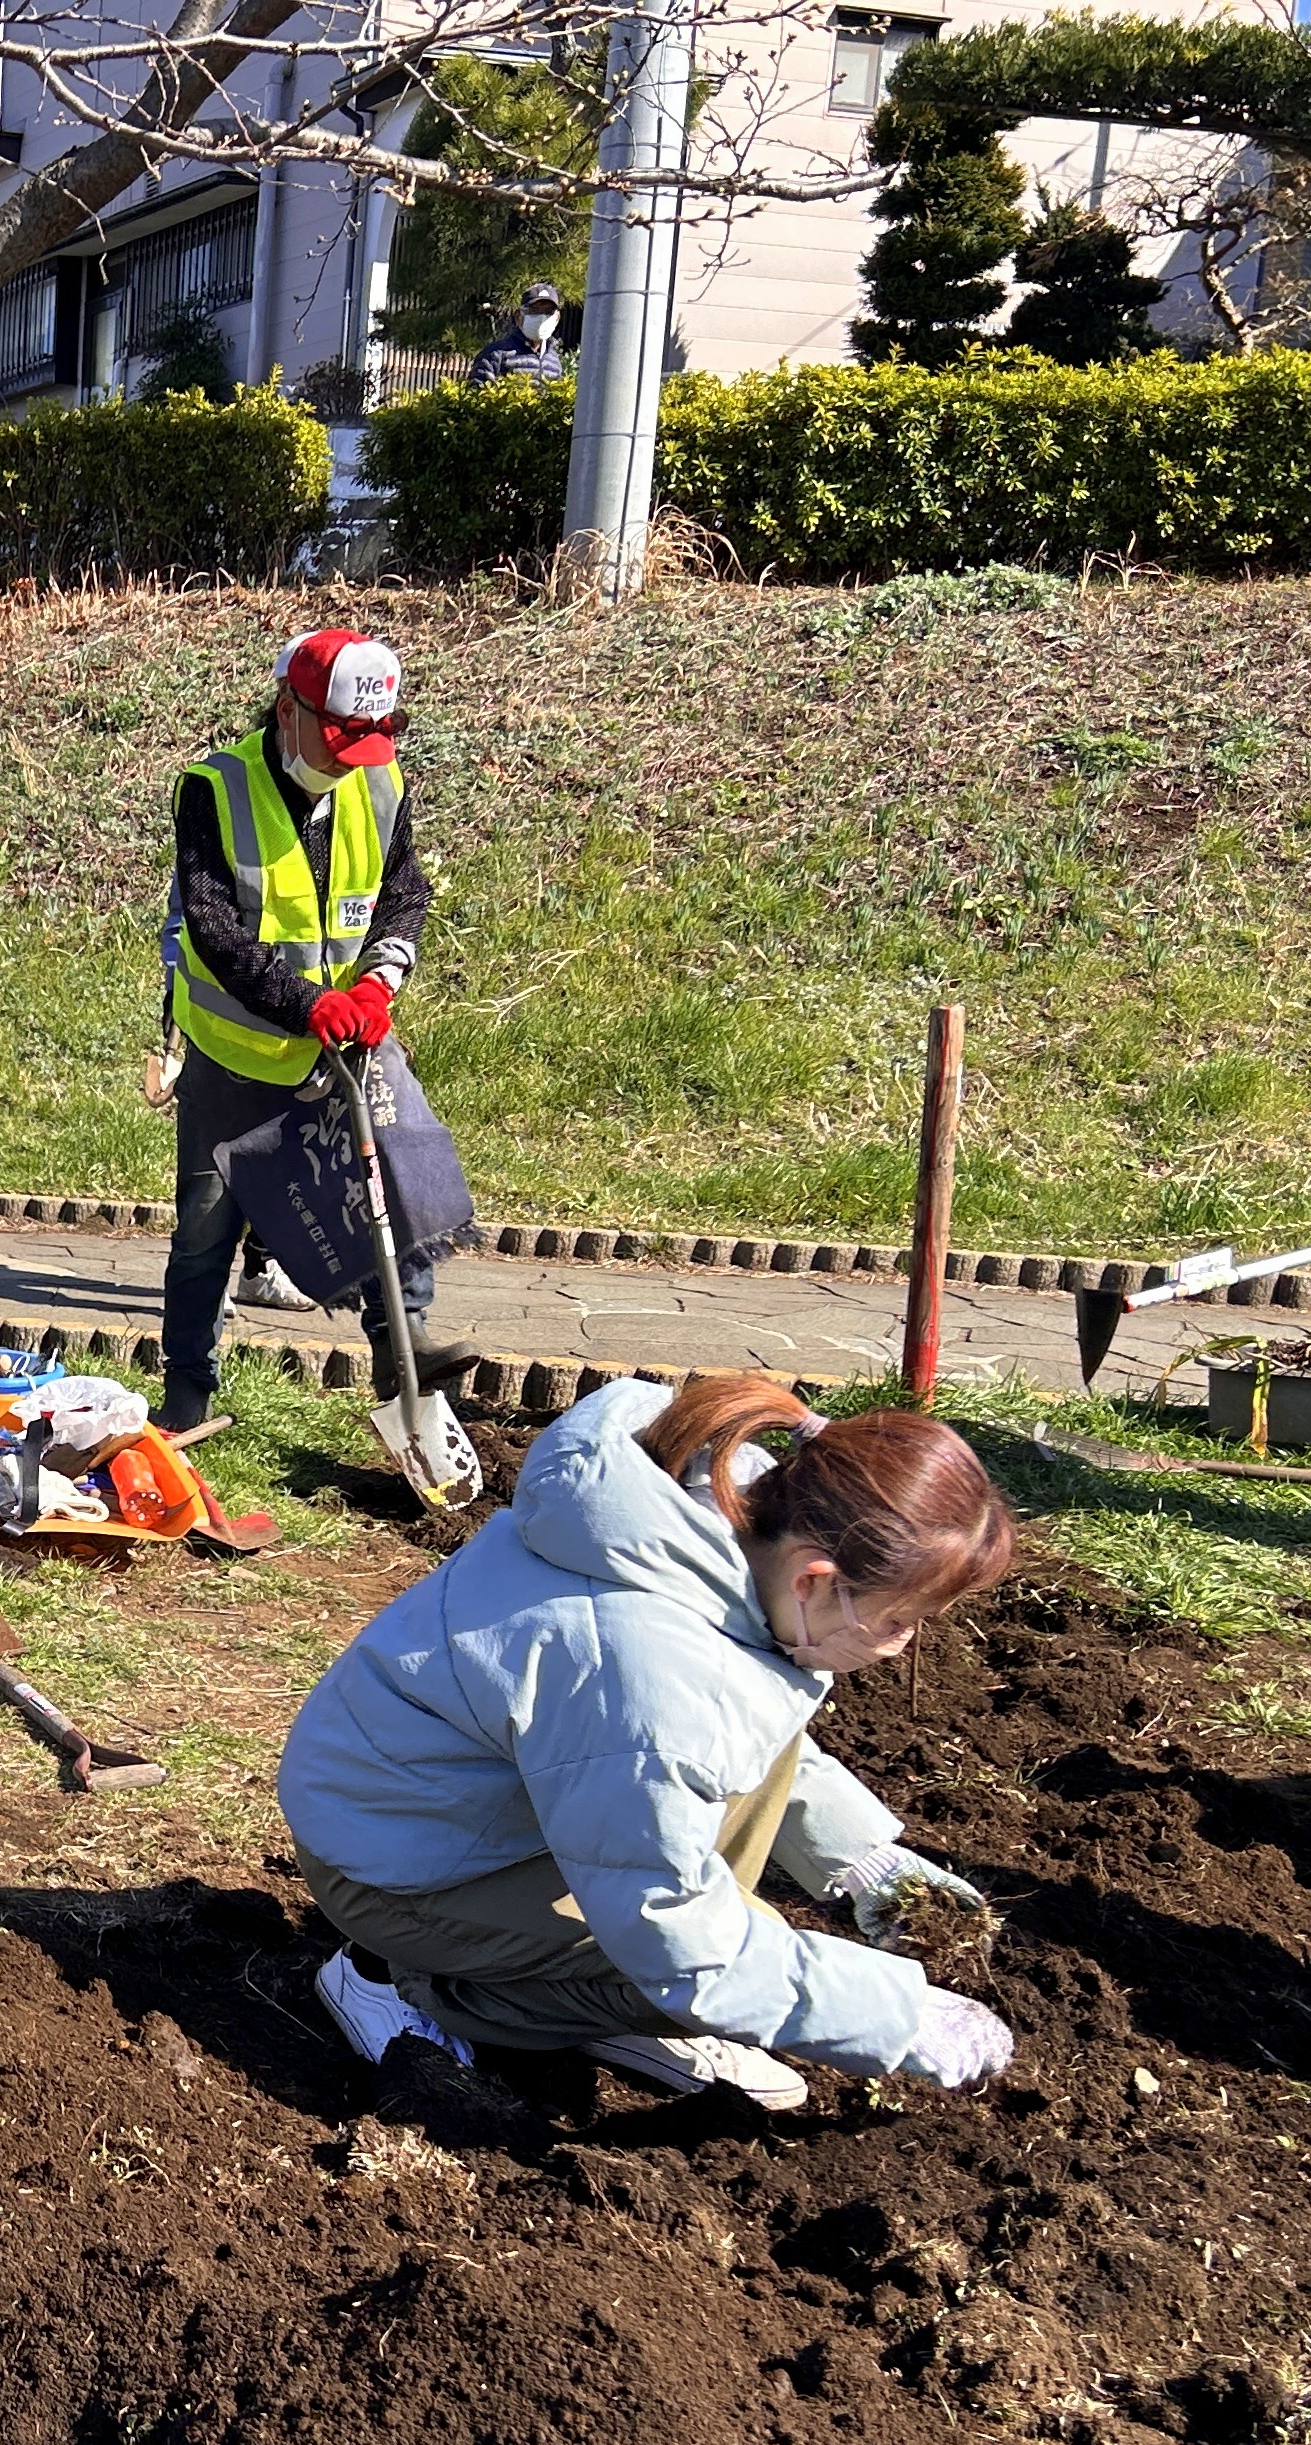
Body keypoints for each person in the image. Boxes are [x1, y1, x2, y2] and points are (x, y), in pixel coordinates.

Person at [276, 1373, 1020, 2114]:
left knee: (731, 1921)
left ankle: (586, 1993)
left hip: (445, 1811)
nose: (901, 1644)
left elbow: (740, 1739)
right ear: (814, 1579)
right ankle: (399, 1980)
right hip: (392, 1869)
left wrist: (860, 1860)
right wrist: (895, 2017)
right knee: (694, 1978)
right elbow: (678, 1940)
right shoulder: (645, 1664)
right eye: (897, 1620)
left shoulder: (712, 1517)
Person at [159, 626, 439, 1433]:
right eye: (339, 738)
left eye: (370, 741)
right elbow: (212, 925)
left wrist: (380, 981)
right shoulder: (214, 787)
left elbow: (402, 892)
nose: (354, 758)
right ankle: (187, 1397)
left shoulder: (380, 782)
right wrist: (302, 1003)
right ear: (289, 709)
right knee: (207, 1232)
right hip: (237, 1051)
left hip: (349, 1037)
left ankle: (403, 1357)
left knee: (399, 1181)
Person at [469, 281, 570, 385]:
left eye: (548, 311)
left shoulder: (554, 361)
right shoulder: (496, 354)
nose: (542, 317)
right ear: (518, 316)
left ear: (557, 318)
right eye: (534, 310)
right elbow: (477, 394)